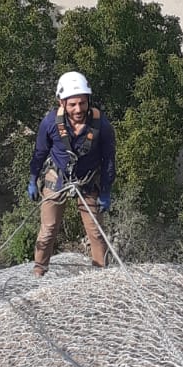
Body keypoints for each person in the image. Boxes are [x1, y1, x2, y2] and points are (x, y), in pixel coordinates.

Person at [28, 71, 115, 277]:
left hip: (87, 178)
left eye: (82, 103)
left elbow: (109, 160)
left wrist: (106, 190)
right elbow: (40, 152)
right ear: (62, 102)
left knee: (95, 232)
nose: (78, 109)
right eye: (72, 104)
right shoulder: (50, 123)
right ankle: (39, 270)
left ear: (88, 101)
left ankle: (100, 275)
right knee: (48, 229)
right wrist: (33, 178)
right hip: (58, 175)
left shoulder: (101, 125)